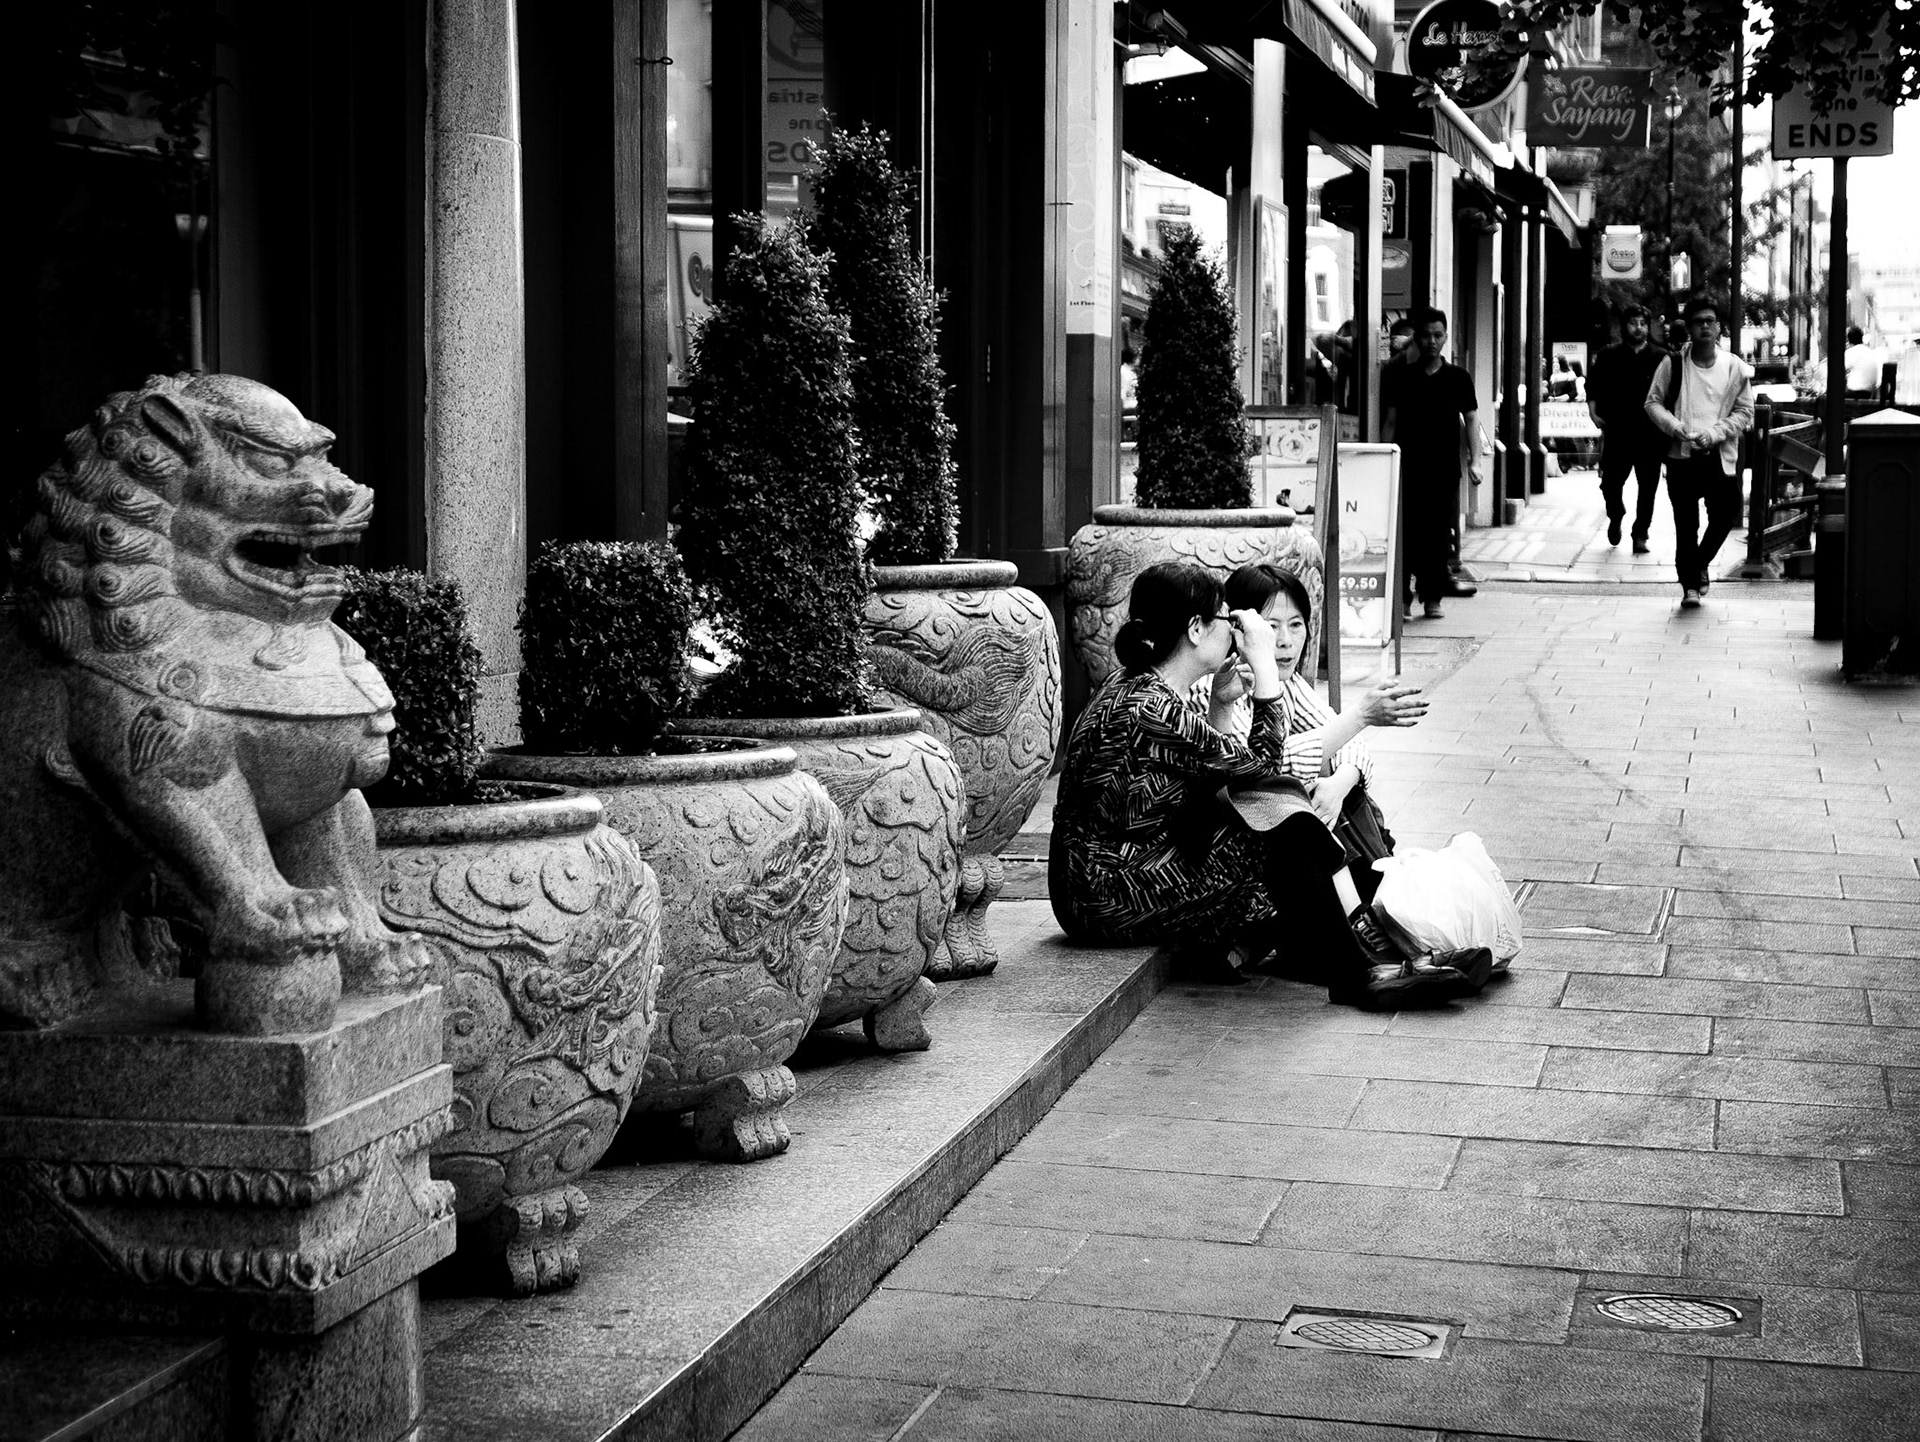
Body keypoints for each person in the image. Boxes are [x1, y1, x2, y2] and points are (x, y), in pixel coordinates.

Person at [1049, 562, 1477, 1008]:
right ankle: (1360, 968)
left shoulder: (1138, 688)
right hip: (1106, 896)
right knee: (1280, 820)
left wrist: (1222, 700)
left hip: (1111, 877)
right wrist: (1265, 670)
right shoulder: (1153, 708)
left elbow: (1221, 778)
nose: (1234, 632)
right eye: (1225, 620)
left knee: (1280, 821)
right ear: (1196, 629)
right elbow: (1263, 772)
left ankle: (1358, 957)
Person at [1209, 564, 1427, 914]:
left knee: (1342, 789)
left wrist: (1341, 782)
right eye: (1270, 627)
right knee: (1307, 800)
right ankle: (1371, 911)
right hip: (1233, 841)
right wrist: (1360, 717)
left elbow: (1347, 741)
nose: (1285, 641)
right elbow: (1256, 767)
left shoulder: (1290, 683)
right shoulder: (1223, 682)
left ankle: (1378, 906)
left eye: (1296, 625)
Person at [1645, 296, 1754, 609]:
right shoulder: (1673, 363)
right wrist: (1675, 427)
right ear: (1689, 328)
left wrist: (1714, 434)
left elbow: (1745, 412)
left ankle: (1698, 564)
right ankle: (1689, 586)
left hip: (1719, 456)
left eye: (1710, 321)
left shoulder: (1734, 366)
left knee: (1725, 513)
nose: (1705, 326)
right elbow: (1652, 402)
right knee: (1686, 523)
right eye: (1698, 321)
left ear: (1718, 327)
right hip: (1682, 457)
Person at [1382, 306, 1485, 620]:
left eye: (1437, 335)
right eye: (1425, 335)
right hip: (1407, 466)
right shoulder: (1402, 376)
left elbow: (1471, 420)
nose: (1431, 341)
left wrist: (1475, 461)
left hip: (1443, 469)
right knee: (1406, 533)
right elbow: (1390, 421)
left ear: (1445, 337)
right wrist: (1383, 459)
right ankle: (1402, 599)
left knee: (1439, 534)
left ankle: (1432, 596)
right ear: (1416, 337)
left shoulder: (1458, 378)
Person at [1588, 304, 1670, 553]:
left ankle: (1640, 533)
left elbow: (1671, 392)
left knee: (1648, 487)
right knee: (1610, 484)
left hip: (1650, 432)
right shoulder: (1608, 355)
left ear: (1649, 326)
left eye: (1643, 323)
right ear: (1625, 326)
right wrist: (1593, 411)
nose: (1638, 328)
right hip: (1618, 430)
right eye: (1633, 323)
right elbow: (1594, 384)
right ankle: (1616, 514)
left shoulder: (1661, 356)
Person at [1844, 325, 1882, 400]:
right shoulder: (1871, 352)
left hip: (1854, 393)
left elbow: (1839, 370)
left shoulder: (1851, 352)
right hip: (1871, 393)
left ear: (1849, 341)